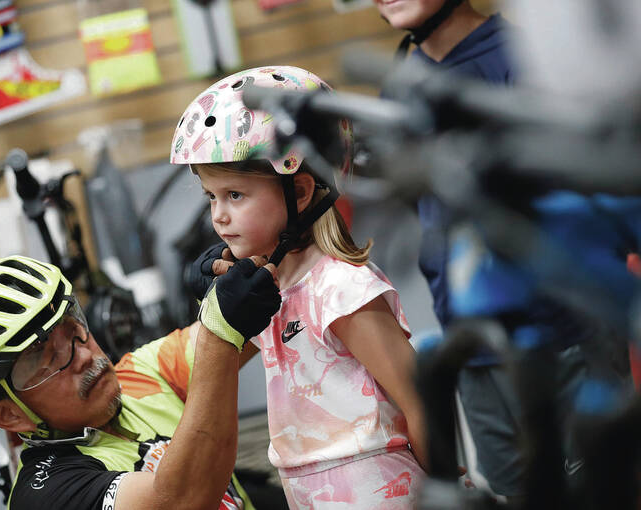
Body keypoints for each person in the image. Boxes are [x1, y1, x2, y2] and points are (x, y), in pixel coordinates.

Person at [377, 0, 639, 500]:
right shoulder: (403, 80)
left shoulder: (527, 57)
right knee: (509, 490)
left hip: (563, 335)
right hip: (471, 342)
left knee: (598, 487)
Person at [171, 66, 427, 509]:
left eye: (235, 195)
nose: (219, 217)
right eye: (211, 197)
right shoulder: (269, 293)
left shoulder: (340, 289)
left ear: (302, 192)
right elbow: (213, 369)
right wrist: (215, 306)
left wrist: (444, 485)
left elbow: (422, 402)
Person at [0, 254, 280, 510]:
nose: (86, 355)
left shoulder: (140, 374)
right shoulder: (46, 494)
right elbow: (181, 500)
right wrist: (221, 328)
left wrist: (243, 262)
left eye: (74, 329)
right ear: (9, 415)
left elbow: (247, 318)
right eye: (48, 358)